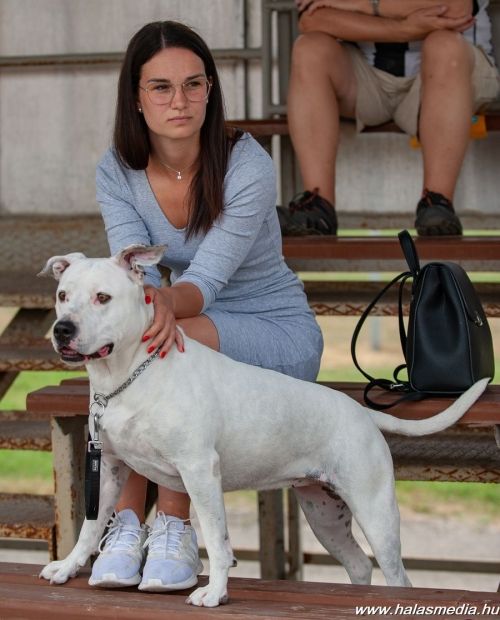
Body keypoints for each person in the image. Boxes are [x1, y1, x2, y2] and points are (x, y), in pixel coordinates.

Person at [90, 20, 323, 592]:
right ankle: (125, 524)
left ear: (210, 90)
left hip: (274, 331)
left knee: (163, 344)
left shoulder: (247, 163)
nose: (180, 100)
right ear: (136, 97)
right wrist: (147, 307)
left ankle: (170, 522)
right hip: (181, 322)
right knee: (142, 345)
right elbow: (135, 273)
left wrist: (153, 308)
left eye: (194, 84)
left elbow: (207, 280)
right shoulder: (116, 171)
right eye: (161, 87)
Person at [287, 0, 500, 235]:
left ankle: (437, 203)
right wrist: (404, 29)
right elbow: (313, 19)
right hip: (370, 77)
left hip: (454, 73)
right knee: (309, 49)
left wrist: (360, 4)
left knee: (445, 46)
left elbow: (455, 7)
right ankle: (318, 206)